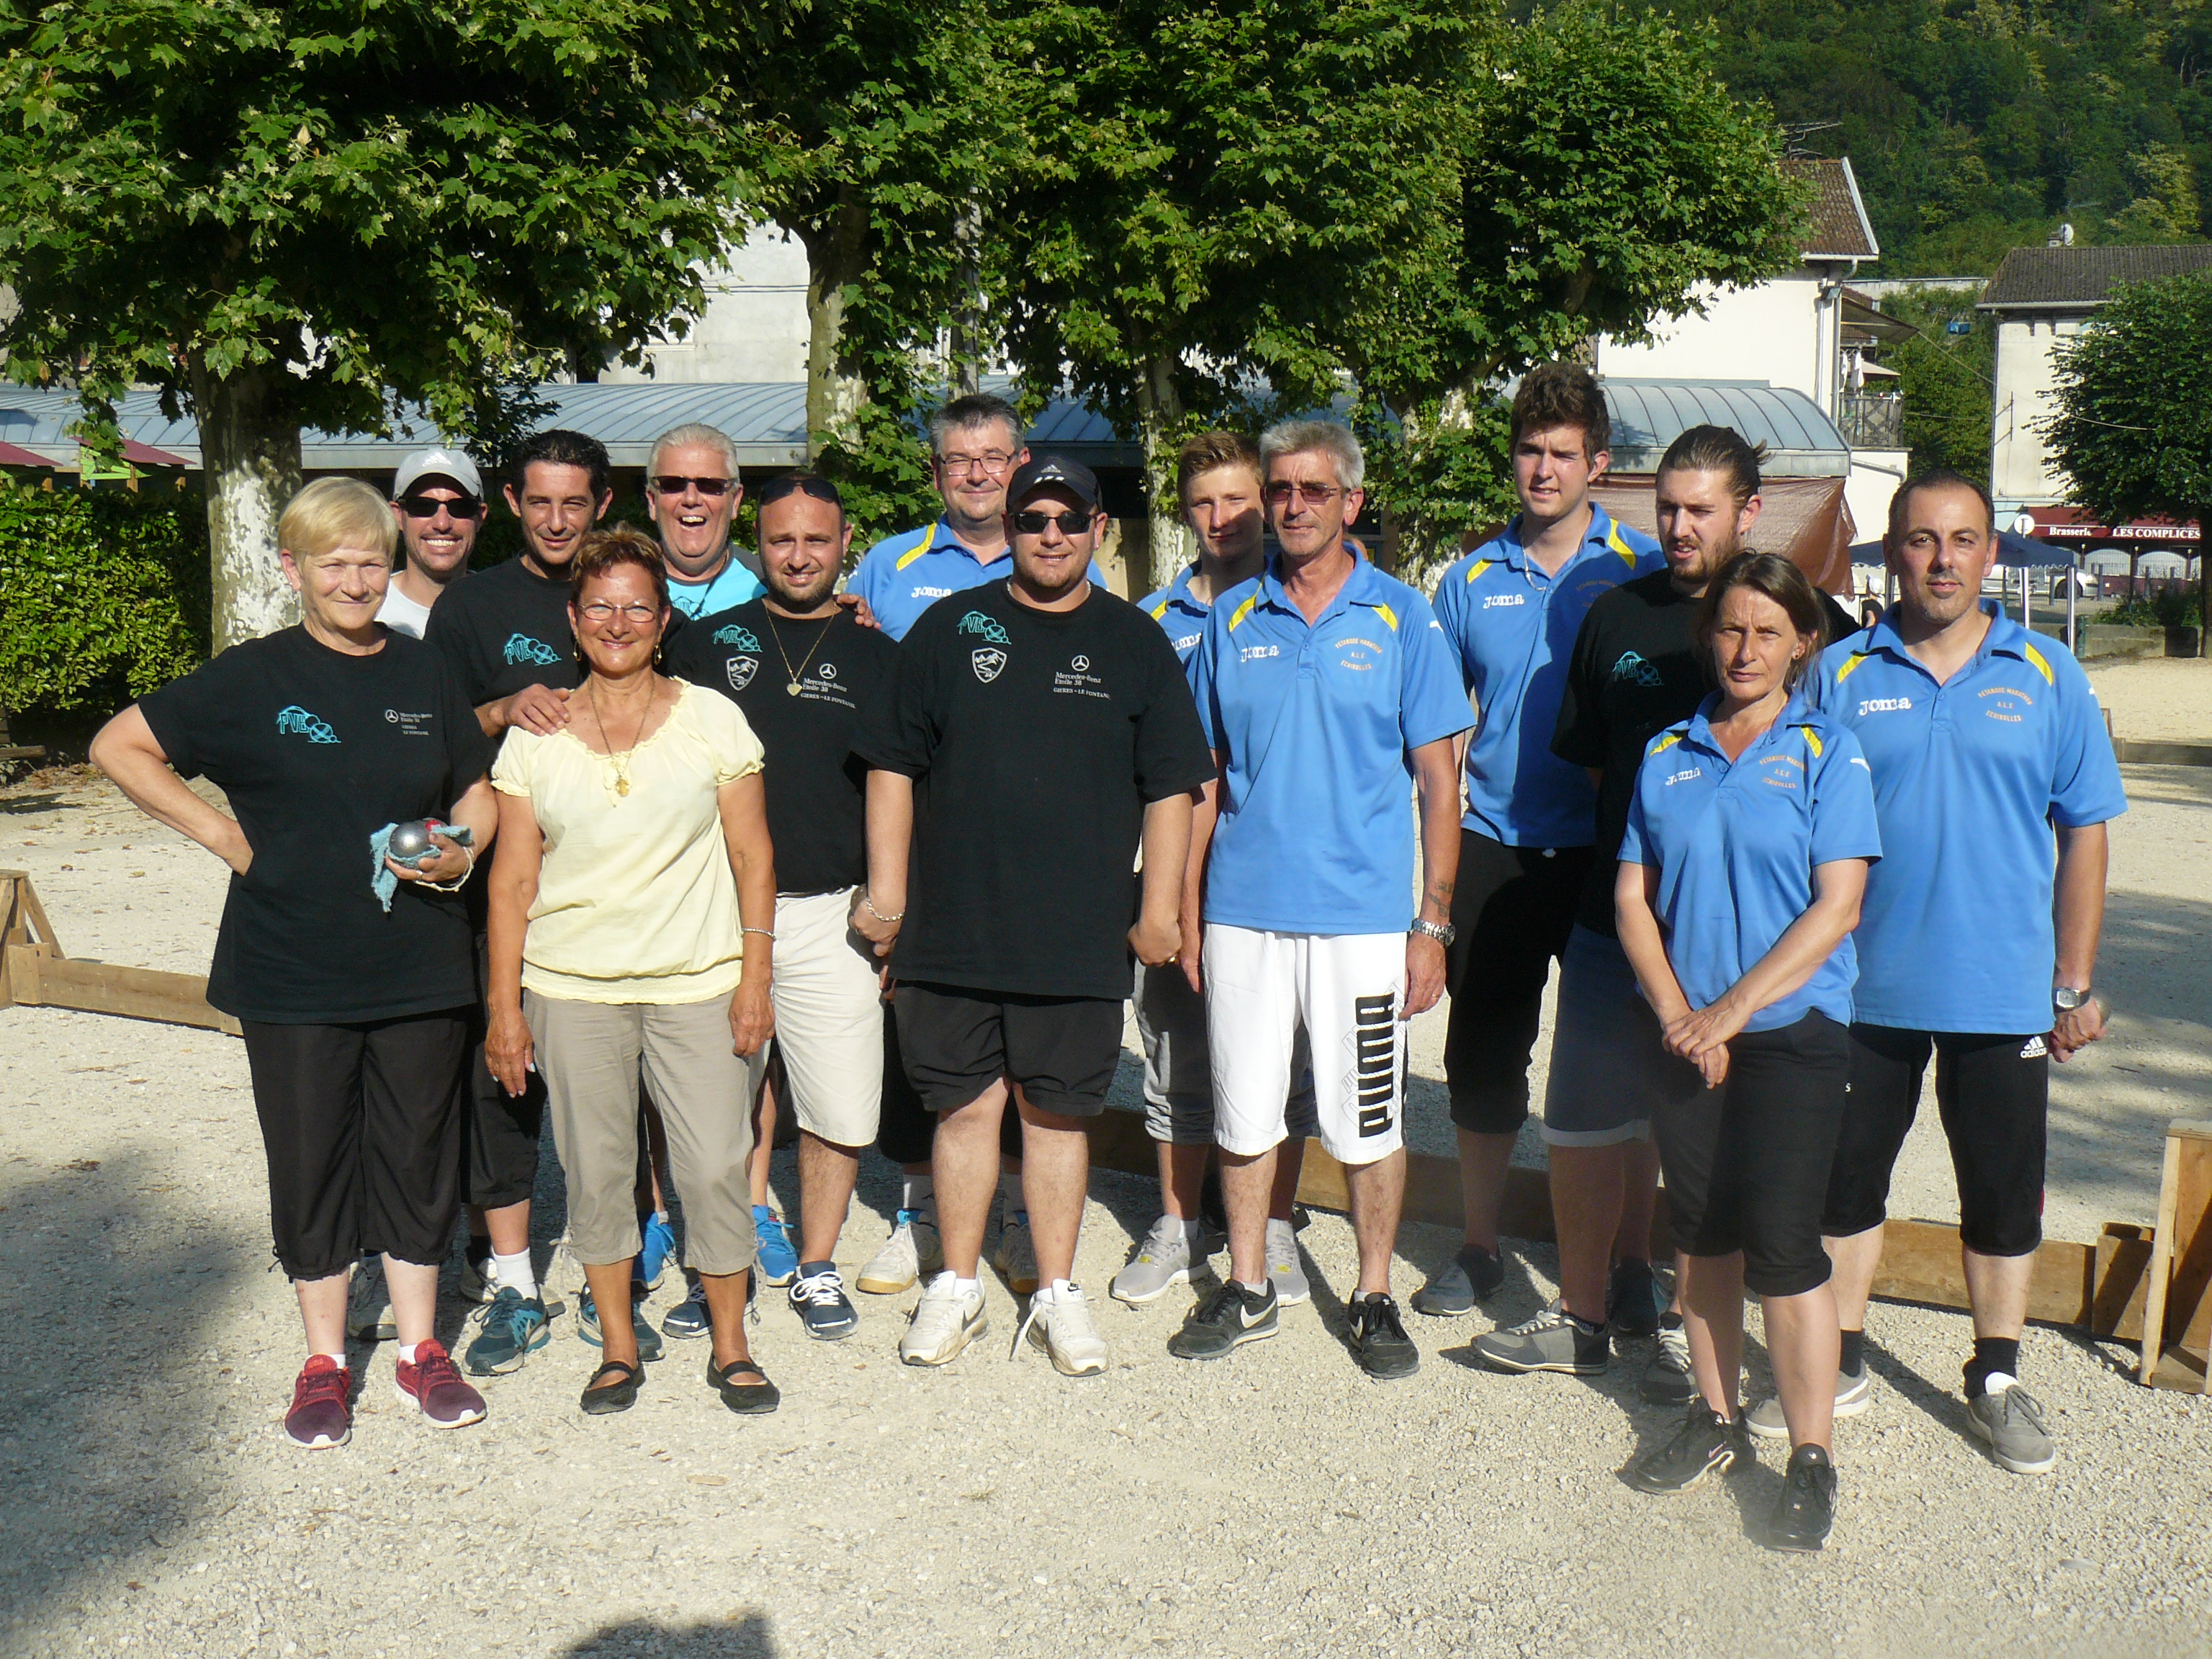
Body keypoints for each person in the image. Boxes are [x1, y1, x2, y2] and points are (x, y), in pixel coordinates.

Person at [91, 477, 499, 1447]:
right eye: (333, 563)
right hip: (293, 969)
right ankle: (323, 1360)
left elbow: (479, 787)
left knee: (416, 1152)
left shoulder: (421, 671)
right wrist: (232, 842)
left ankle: (418, 1350)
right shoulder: (249, 679)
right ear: (293, 570)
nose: (355, 581)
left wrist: (462, 843)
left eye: (368, 561)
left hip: (419, 964)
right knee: (313, 1158)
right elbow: (121, 746)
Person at [1500, 427, 1857, 1400]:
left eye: (1701, 509)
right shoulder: (1614, 614)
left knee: (1691, 1143)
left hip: (1741, 948)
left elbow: (1829, 773)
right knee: (1580, 1124)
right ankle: (1582, 1318)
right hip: (1619, 921)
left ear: (1750, 511)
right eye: (1666, 507)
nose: (1680, 526)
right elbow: (1589, 761)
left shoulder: (1803, 617)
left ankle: (1663, 1309)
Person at [1787, 471, 2126, 1476]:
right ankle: (1838, 1357)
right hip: (1861, 987)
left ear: (1990, 553)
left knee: (2004, 1192)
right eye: (1923, 540)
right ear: (1892, 553)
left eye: (1963, 540)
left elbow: (2087, 836)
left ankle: (1997, 1373)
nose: (1942, 559)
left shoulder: (2050, 675)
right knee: (1846, 1184)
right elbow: (1792, 822)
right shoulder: (1839, 674)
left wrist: (2070, 984)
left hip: (2001, 989)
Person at [852, 454, 1210, 1377]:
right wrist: (887, 896)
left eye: (1068, 519)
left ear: (1099, 529)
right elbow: (893, 766)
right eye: (1032, 517)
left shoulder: (1136, 642)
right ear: (1006, 526)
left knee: (1056, 1120)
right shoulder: (946, 629)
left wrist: (1160, 909)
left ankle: (1056, 1293)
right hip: (953, 931)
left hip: (1077, 934)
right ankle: (957, 1283)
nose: (1050, 534)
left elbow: (1175, 785)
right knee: (965, 1113)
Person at [1171, 421, 1470, 1379]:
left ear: (1352, 500)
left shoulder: (1402, 618)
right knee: (1247, 1112)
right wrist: (1185, 907)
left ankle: (1375, 1294)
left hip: (1365, 922)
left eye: (1312, 490)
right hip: (1244, 913)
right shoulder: (1231, 618)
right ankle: (1251, 1285)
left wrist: (1432, 923)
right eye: (1280, 490)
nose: (1293, 506)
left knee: (1366, 1119)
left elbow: (1439, 785)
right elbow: (1205, 782)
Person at [1611, 552, 1880, 1554]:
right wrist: (1683, 1013)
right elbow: (1634, 898)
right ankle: (1718, 1416)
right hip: (1688, 1034)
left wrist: (1725, 1016)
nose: (1745, 649)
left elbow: (1838, 905)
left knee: (1782, 1244)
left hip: (1791, 1034)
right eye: (1730, 629)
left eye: (1770, 632)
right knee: (1703, 1235)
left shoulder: (1826, 750)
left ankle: (1811, 1455)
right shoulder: (1666, 752)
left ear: (1804, 642)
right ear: (1707, 635)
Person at [482, 528, 781, 1416]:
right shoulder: (536, 734)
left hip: (698, 982)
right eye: (601, 606)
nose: (619, 622)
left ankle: (732, 1345)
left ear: (664, 619)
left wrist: (755, 976)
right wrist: (507, 1009)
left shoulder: (712, 717)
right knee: (595, 1171)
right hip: (573, 989)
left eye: (638, 607)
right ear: (575, 620)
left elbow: (752, 853)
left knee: (716, 1168)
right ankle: (617, 1347)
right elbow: (512, 880)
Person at [1414, 363, 1662, 1333]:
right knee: (1483, 1061)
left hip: (1611, 853)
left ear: (1598, 463)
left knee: (1623, 1068)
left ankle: (1633, 1261)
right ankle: (1480, 1247)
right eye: (1529, 450)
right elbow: (1438, 728)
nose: (1544, 468)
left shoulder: (1641, 568)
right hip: (1500, 846)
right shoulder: (1469, 578)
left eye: (1564, 453)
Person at [843, 395, 1106, 1303]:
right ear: (937, 472)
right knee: (929, 1047)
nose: (980, 475)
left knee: (1029, 1051)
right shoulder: (889, 567)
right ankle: (922, 1212)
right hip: (929, 853)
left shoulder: (1072, 558)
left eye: (995, 458)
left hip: (1039, 865)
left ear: (1021, 460)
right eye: (959, 461)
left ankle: (1018, 1216)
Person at [663, 475, 901, 1341]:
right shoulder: (703, 643)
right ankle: (715, 1267)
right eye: (780, 541)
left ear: (845, 544)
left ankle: (818, 1264)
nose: (798, 556)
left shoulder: (883, 655)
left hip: (833, 914)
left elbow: (905, 787)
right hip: (717, 913)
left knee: (838, 1109)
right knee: (714, 1106)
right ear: (755, 544)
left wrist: (892, 908)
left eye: (816, 540)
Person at [1112, 431, 1321, 1307]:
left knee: (1291, 1059)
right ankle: (1177, 1224)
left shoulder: (1299, 604)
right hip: (1173, 869)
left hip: (1278, 876)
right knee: (1173, 1050)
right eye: (1204, 504)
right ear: (1185, 514)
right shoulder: (1157, 621)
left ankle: (1272, 1223)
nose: (1223, 519)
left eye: (1239, 501)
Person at [423, 428, 613, 1375]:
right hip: (500, 881)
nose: (555, 519)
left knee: (612, 1089)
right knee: (503, 1078)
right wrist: (501, 711)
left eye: (573, 502)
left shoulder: (627, 594)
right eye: (539, 501)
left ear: (602, 507)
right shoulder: (473, 606)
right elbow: (423, 735)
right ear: (511, 502)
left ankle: (613, 1271)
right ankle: (510, 1279)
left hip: (609, 889)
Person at [644, 422, 765, 621]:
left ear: (735, 500)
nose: (691, 499)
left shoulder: (768, 587)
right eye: (673, 484)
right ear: (652, 501)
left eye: (710, 485)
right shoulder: (615, 582)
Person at [379, 448, 487, 639]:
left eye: (460, 507)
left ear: (480, 517)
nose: (442, 524)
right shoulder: (368, 611)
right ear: (397, 515)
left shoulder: (503, 611)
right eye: (423, 506)